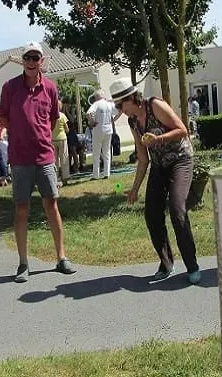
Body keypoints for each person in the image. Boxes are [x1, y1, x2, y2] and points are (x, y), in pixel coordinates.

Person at [0, 41, 76, 283]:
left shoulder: (50, 88)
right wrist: (21, 134)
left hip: (44, 157)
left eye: (36, 58)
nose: (32, 62)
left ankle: (61, 257)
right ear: (23, 61)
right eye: (28, 58)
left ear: (42, 61)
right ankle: (23, 263)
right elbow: (2, 117)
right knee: (22, 209)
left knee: (51, 205)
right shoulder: (10, 87)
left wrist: (38, 136)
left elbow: (53, 119)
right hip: (20, 159)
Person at [109, 78, 201, 284]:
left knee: (177, 209)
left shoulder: (154, 105)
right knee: (151, 213)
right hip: (159, 166)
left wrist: (158, 139)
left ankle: (192, 265)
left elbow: (182, 130)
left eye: (120, 105)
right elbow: (143, 159)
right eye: (117, 106)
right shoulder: (133, 121)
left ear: (132, 97)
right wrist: (134, 190)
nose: (120, 110)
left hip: (180, 160)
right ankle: (166, 263)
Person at [86, 90, 117, 179]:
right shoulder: (108, 104)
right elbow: (117, 111)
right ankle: (107, 173)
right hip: (108, 129)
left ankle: (96, 175)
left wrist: (92, 122)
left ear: (96, 97)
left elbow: (89, 113)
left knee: (96, 153)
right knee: (106, 152)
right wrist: (113, 121)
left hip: (98, 130)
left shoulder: (96, 104)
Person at [52, 100, 70, 186]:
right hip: (62, 138)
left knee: (54, 160)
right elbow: (67, 129)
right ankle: (65, 178)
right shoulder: (62, 116)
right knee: (64, 158)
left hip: (52, 139)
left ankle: (55, 178)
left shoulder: (50, 116)